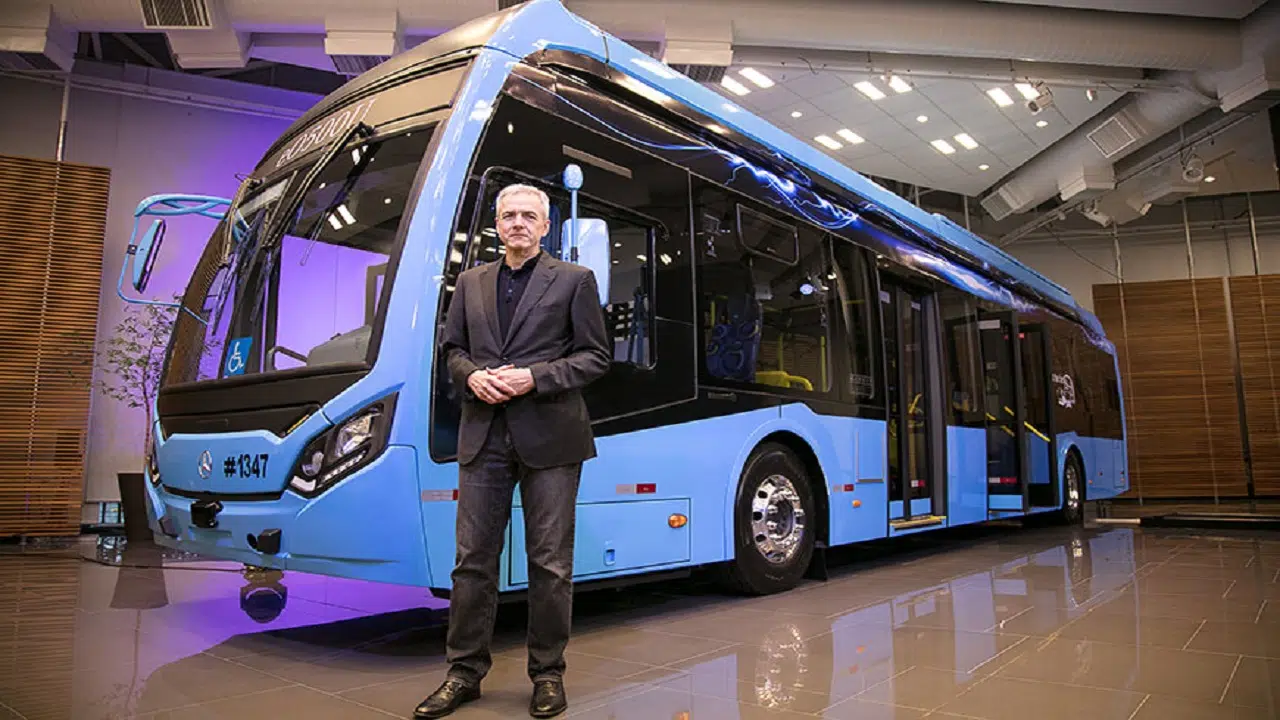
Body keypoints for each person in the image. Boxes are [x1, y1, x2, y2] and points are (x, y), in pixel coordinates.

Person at [415, 183, 610, 719]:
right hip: (483, 436)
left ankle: (547, 674)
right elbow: (452, 349)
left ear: (545, 227)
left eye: (528, 215)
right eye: (508, 216)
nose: (518, 223)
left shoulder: (575, 280)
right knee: (471, 563)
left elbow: (596, 357)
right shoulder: (470, 283)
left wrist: (534, 377)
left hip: (552, 437)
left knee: (550, 563)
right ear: (497, 226)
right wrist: (471, 376)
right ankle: (463, 673)